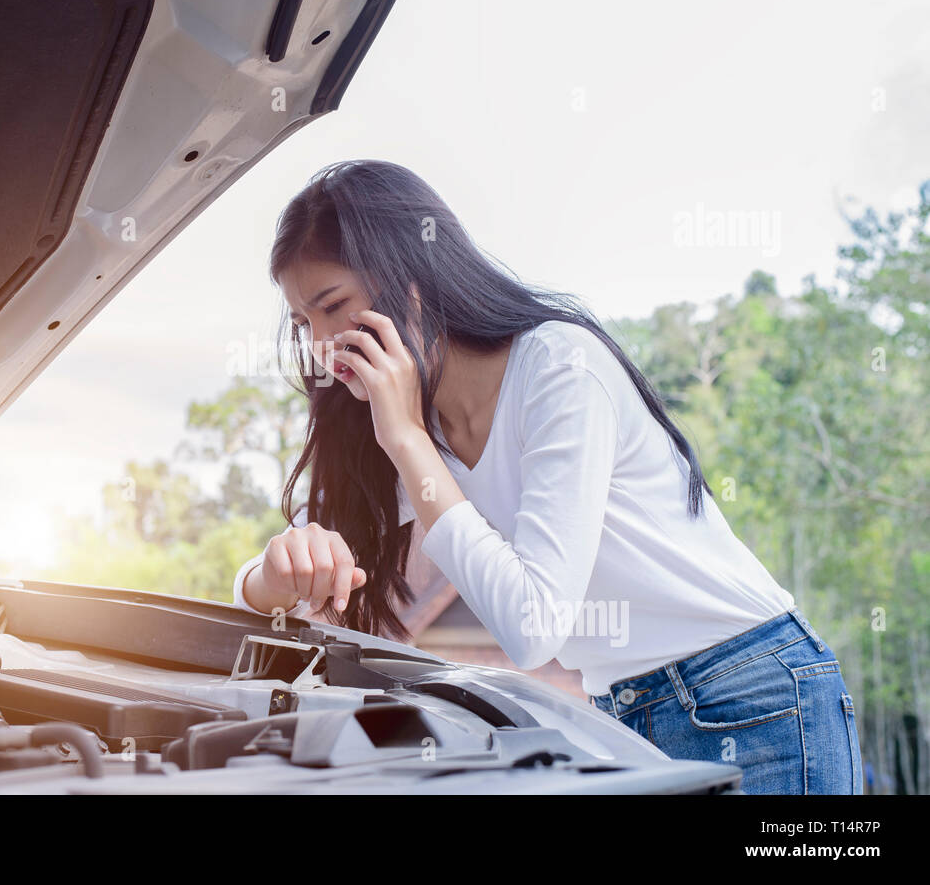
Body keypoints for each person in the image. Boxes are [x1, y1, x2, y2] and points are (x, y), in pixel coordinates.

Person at [231, 159, 863, 795]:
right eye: (302, 323)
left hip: (755, 695)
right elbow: (266, 590)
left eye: (332, 306)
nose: (320, 345)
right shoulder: (412, 426)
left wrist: (406, 440)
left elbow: (532, 628)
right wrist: (272, 577)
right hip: (630, 715)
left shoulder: (560, 370)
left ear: (411, 278)